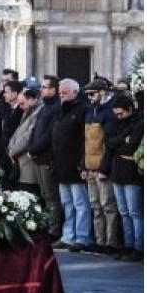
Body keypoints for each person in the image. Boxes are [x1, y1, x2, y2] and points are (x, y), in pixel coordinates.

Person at [52, 78, 91, 252]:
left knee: (80, 203)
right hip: (61, 164)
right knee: (66, 203)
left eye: (65, 93)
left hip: (75, 164)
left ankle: (81, 237)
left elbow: (86, 140)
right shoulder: (60, 110)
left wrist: (83, 164)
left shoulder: (83, 109)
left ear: (75, 92)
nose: (61, 96)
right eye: (60, 93)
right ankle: (68, 236)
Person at [105, 94, 144, 261]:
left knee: (134, 212)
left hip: (131, 173)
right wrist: (121, 140)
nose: (118, 117)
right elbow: (110, 142)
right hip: (117, 171)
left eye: (121, 113)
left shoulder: (139, 123)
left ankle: (139, 246)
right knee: (124, 212)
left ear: (130, 109)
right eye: (116, 114)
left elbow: (131, 146)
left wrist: (118, 143)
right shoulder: (117, 123)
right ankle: (128, 245)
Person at [83, 79, 119, 254]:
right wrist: (83, 166)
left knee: (108, 206)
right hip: (90, 167)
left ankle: (111, 243)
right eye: (87, 94)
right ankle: (99, 240)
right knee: (95, 206)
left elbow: (110, 144)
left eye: (92, 94)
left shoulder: (109, 113)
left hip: (102, 169)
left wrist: (104, 169)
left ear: (102, 92)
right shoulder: (91, 112)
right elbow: (86, 142)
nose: (89, 98)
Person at [27, 75, 63, 241]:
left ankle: (54, 230)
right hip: (38, 156)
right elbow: (35, 130)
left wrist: (34, 148)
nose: (41, 90)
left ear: (53, 90)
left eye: (44, 87)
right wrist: (31, 148)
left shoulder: (56, 108)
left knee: (51, 196)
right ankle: (48, 225)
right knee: (44, 194)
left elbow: (49, 134)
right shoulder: (44, 108)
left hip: (47, 157)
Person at [7, 87, 43, 197]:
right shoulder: (27, 112)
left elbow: (28, 137)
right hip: (21, 163)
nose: (20, 107)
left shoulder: (37, 112)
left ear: (32, 100)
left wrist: (12, 151)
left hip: (29, 164)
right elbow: (18, 132)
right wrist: (10, 147)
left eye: (22, 103)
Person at [0, 80, 25, 190]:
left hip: (14, 154)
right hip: (5, 154)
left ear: (15, 94)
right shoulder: (8, 109)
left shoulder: (21, 110)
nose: (4, 94)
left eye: (6, 92)